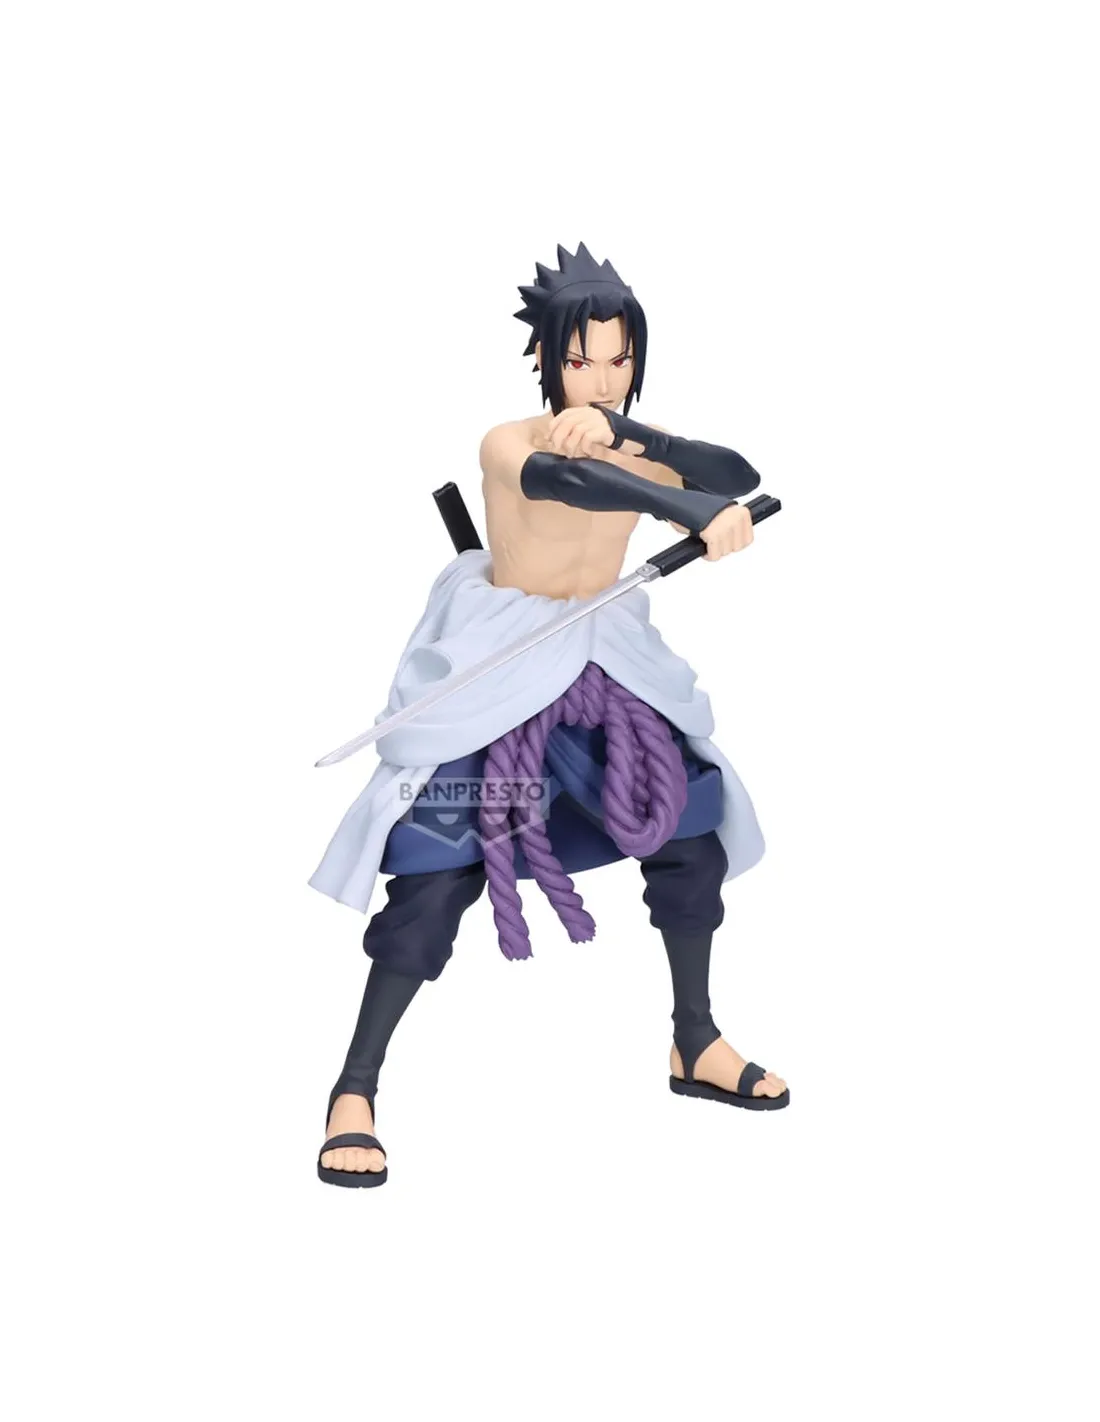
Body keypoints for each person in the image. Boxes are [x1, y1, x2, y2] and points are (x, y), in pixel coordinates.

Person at [312, 243, 788, 1188]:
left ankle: (694, 1038)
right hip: (503, 664)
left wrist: (658, 454)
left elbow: (734, 469)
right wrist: (680, 502)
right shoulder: (508, 442)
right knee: (437, 867)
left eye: (620, 359)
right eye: (581, 359)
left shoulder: (634, 438)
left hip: (606, 650)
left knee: (688, 830)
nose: (602, 379)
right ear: (545, 358)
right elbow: (575, 485)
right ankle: (353, 1087)